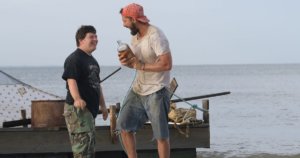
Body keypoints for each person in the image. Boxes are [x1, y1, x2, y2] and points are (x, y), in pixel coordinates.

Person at [116, 3, 173, 158]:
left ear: (134, 19)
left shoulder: (156, 36)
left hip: (157, 90)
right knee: (123, 126)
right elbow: (136, 63)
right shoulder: (134, 37)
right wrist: (129, 62)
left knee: (161, 135)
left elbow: (167, 64)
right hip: (138, 88)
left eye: (125, 20)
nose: (123, 24)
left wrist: (139, 64)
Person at [62, 25, 108, 158]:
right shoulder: (74, 58)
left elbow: (97, 85)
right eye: (91, 36)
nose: (95, 39)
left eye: (96, 36)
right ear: (81, 40)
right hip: (78, 111)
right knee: (82, 150)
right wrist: (77, 99)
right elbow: (71, 80)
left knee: (89, 148)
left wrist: (103, 106)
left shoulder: (92, 60)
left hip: (89, 111)